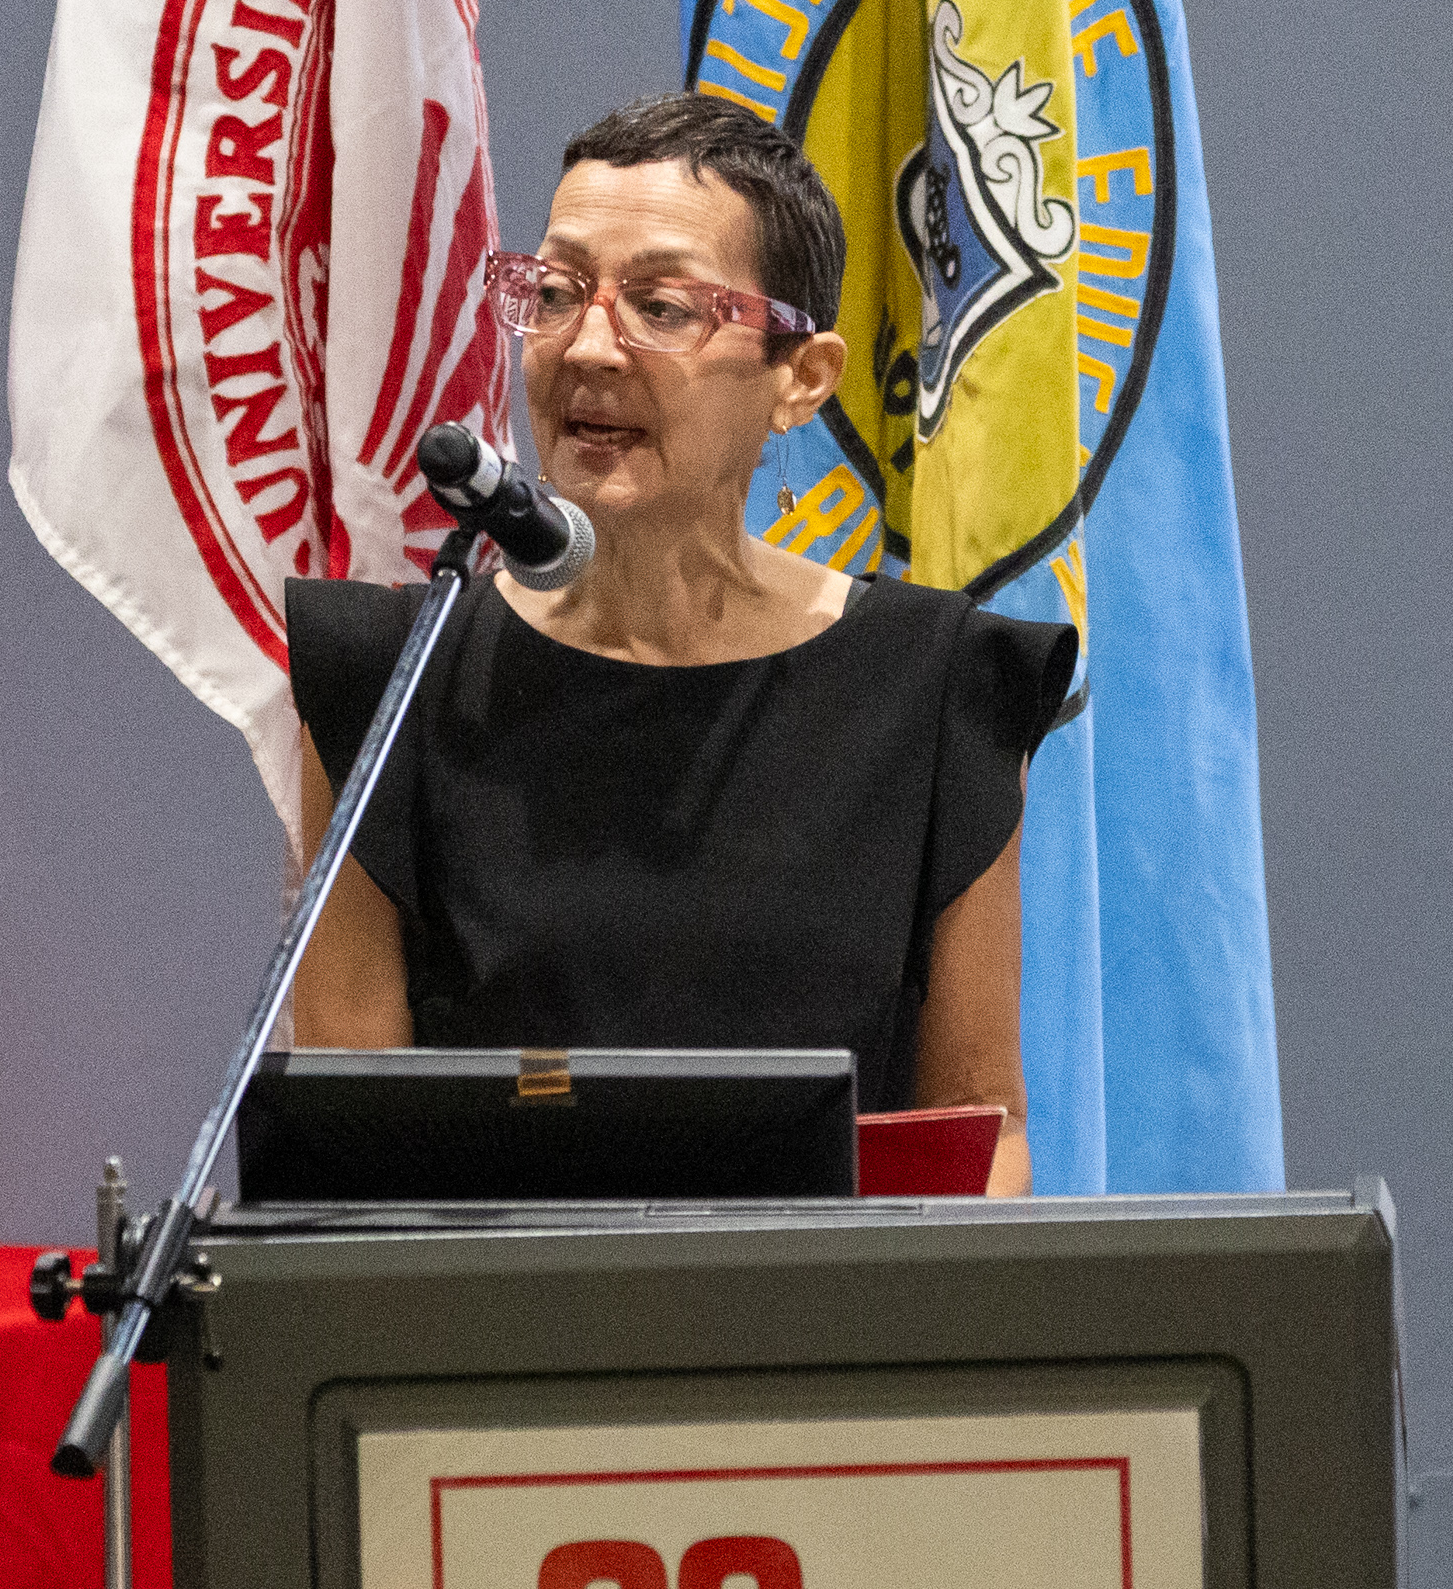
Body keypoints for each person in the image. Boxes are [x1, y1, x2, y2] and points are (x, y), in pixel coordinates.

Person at [286, 93, 1074, 1195]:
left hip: (827, 1301)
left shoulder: (938, 688)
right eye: (555, 292)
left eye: (660, 306)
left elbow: (979, 1137)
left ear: (801, 376)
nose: (587, 345)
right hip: (492, 1302)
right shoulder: (388, 677)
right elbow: (348, 1147)